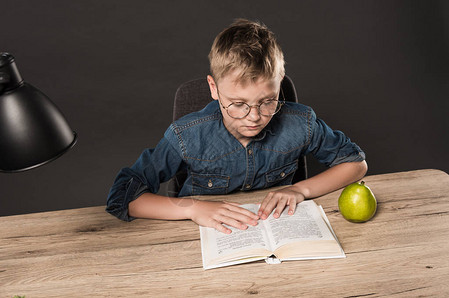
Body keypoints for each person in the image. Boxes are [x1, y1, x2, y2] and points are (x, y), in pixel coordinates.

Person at [106, 19, 367, 234]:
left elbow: (356, 164)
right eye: (238, 103)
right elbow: (124, 197)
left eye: (267, 102)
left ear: (280, 83)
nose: (254, 116)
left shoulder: (301, 123)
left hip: (279, 233)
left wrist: (299, 189)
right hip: (198, 239)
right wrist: (191, 208)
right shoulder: (187, 135)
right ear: (213, 88)